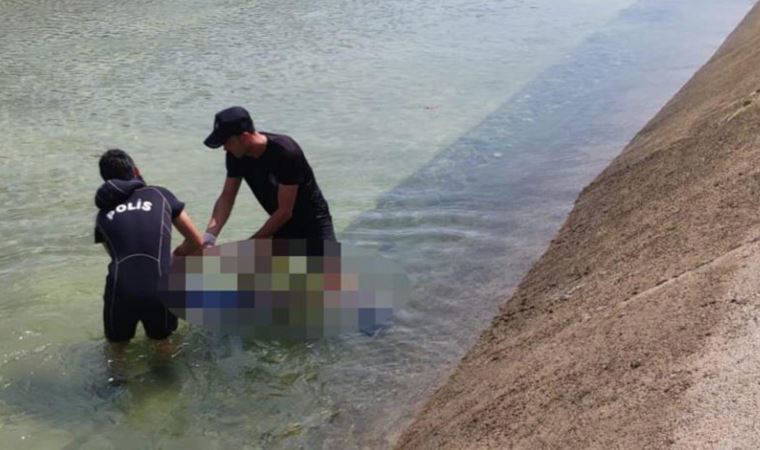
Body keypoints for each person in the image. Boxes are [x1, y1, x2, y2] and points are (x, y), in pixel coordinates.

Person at [94, 149, 203, 354]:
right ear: (136, 171)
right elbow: (196, 241)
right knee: (163, 345)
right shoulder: (160, 195)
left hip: (120, 289)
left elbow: (115, 255)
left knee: (116, 351)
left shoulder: (102, 213)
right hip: (159, 288)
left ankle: (118, 373)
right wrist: (176, 256)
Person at [201, 106, 336, 247]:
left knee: (328, 262)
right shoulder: (235, 154)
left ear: (245, 137)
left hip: (314, 224)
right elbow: (227, 197)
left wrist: (249, 244)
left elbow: (285, 211)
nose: (224, 148)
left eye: (227, 142)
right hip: (280, 226)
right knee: (223, 257)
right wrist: (209, 238)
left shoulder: (286, 152)